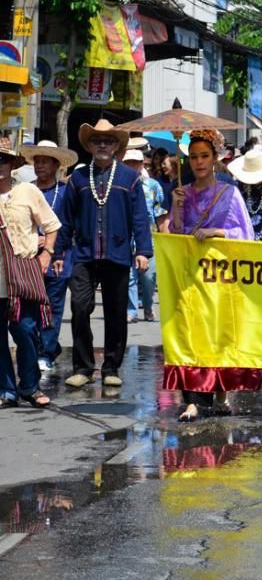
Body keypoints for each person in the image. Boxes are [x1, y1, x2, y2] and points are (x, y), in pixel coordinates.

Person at [55, 119, 153, 389]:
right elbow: (65, 218)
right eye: (97, 140)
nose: (102, 145)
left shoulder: (129, 178)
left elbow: (140, 218)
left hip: (118, 253)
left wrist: (143, 250)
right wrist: (59, 252)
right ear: (89, 145)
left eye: (108, 141)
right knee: (79, 307)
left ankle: (111, 367)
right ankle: (83, 367)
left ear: (115, 146)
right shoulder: (78, 177)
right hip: (84, 254)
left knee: (115, 312)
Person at [169, 129, 254, 421]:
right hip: (191, 276)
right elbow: (176, 235)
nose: (199, 162)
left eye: (204, 156)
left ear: (215, 159)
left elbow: (245, 236)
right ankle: (192, 399)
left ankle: (220, 393)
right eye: (193, 157)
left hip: (220, 278)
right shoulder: (183, 192)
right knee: (190, 336)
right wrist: (177, 208)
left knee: (219, 336)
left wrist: (216, 232)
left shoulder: (229, 193)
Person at [0, 148, 61, 408]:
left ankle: (30, 386)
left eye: (3, 159)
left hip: (21, 271)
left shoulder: (27, 191)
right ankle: (6, 390)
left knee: (24, 329)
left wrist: (47, 253)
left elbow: (52, 225)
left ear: (12, 163)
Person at [21, 141, 77, 373]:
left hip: (58, 257)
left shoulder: (65, 192)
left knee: (52, 306)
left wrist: (55, 249)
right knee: (31, 307)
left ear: (56, 165)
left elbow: (70, 225)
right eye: (37, 161)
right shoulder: (26, 190)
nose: (40, 166)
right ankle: (42, 348)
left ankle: (46, 352)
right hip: (29, 257)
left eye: (45, 161)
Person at [123, 149, 167, 324]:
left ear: (142, 165)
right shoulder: (119, 184)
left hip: (148, 238)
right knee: (129, 278)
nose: (132, 166)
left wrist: (165, 238)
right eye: (128, 163)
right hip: (126, 238)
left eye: (135, 163)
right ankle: (131, 310)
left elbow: (160, 213)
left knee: (148, 278)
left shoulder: (153, 186)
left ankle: (147, 306)